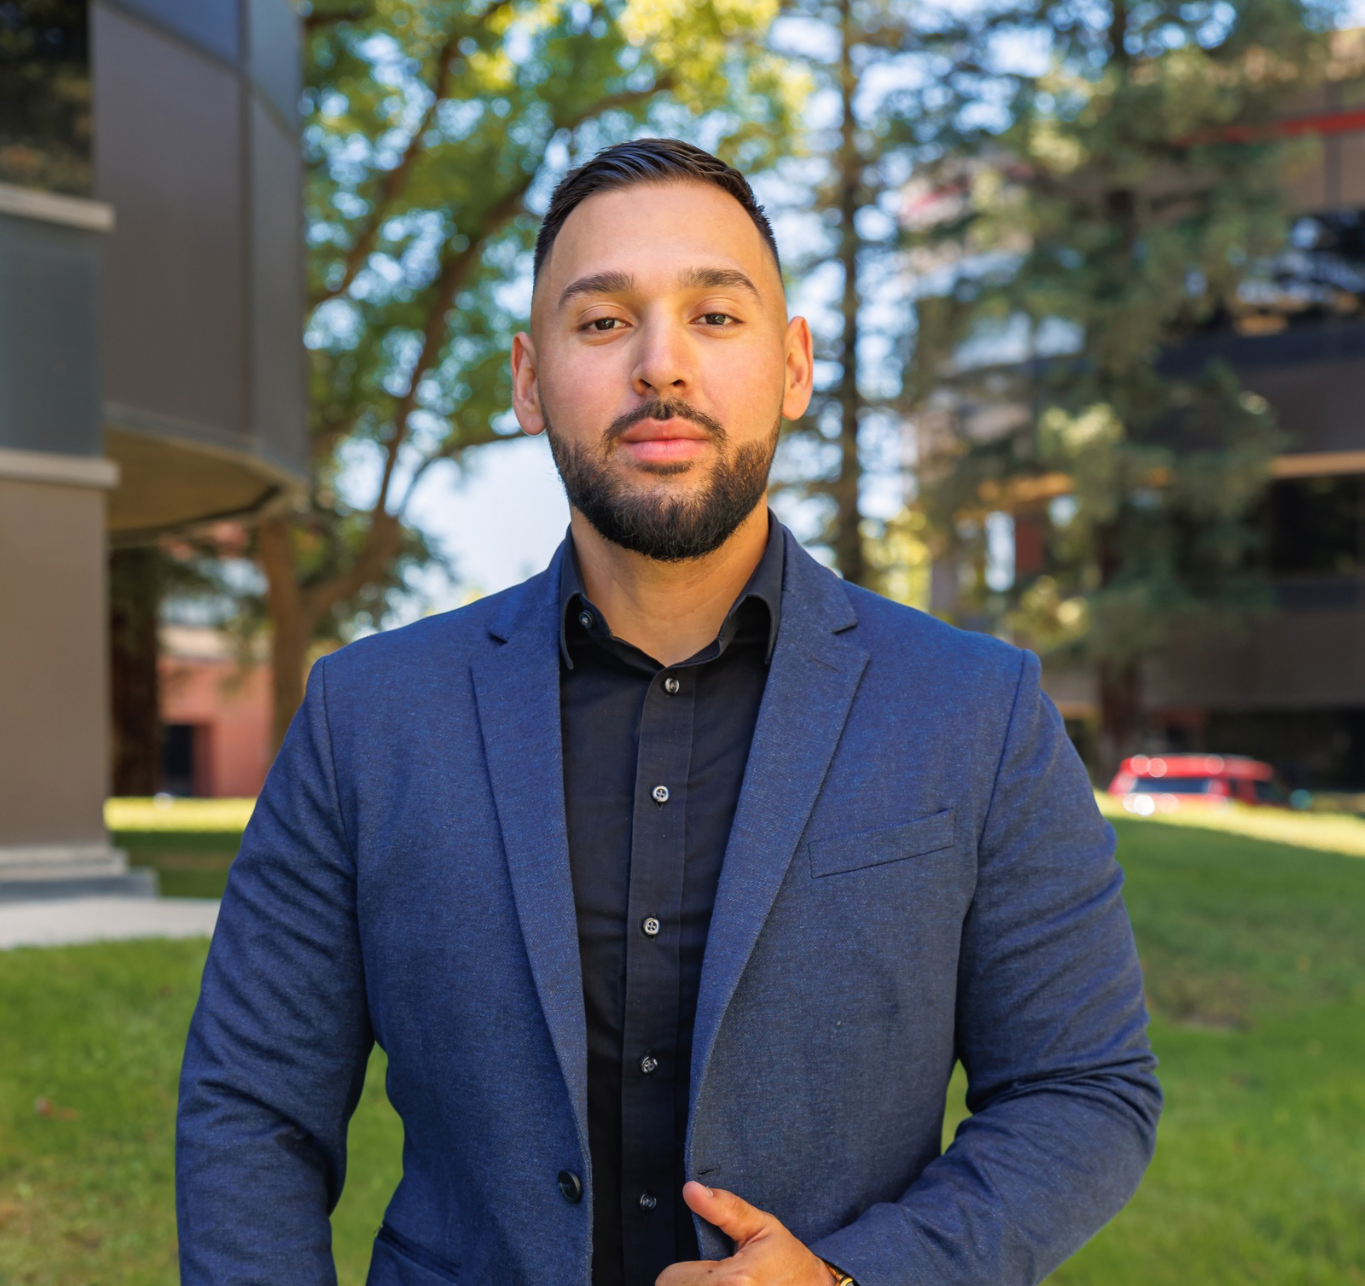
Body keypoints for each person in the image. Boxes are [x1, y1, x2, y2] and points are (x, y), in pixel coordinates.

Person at [177, 138, 1160, 1286]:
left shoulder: (978, 711)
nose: (661, 366)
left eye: (715, 316)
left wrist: (857, 1278)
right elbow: (251, 1108)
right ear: (529, 377)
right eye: (602, 321)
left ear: (793, 366)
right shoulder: (368, 715)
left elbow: (1081, 1087)